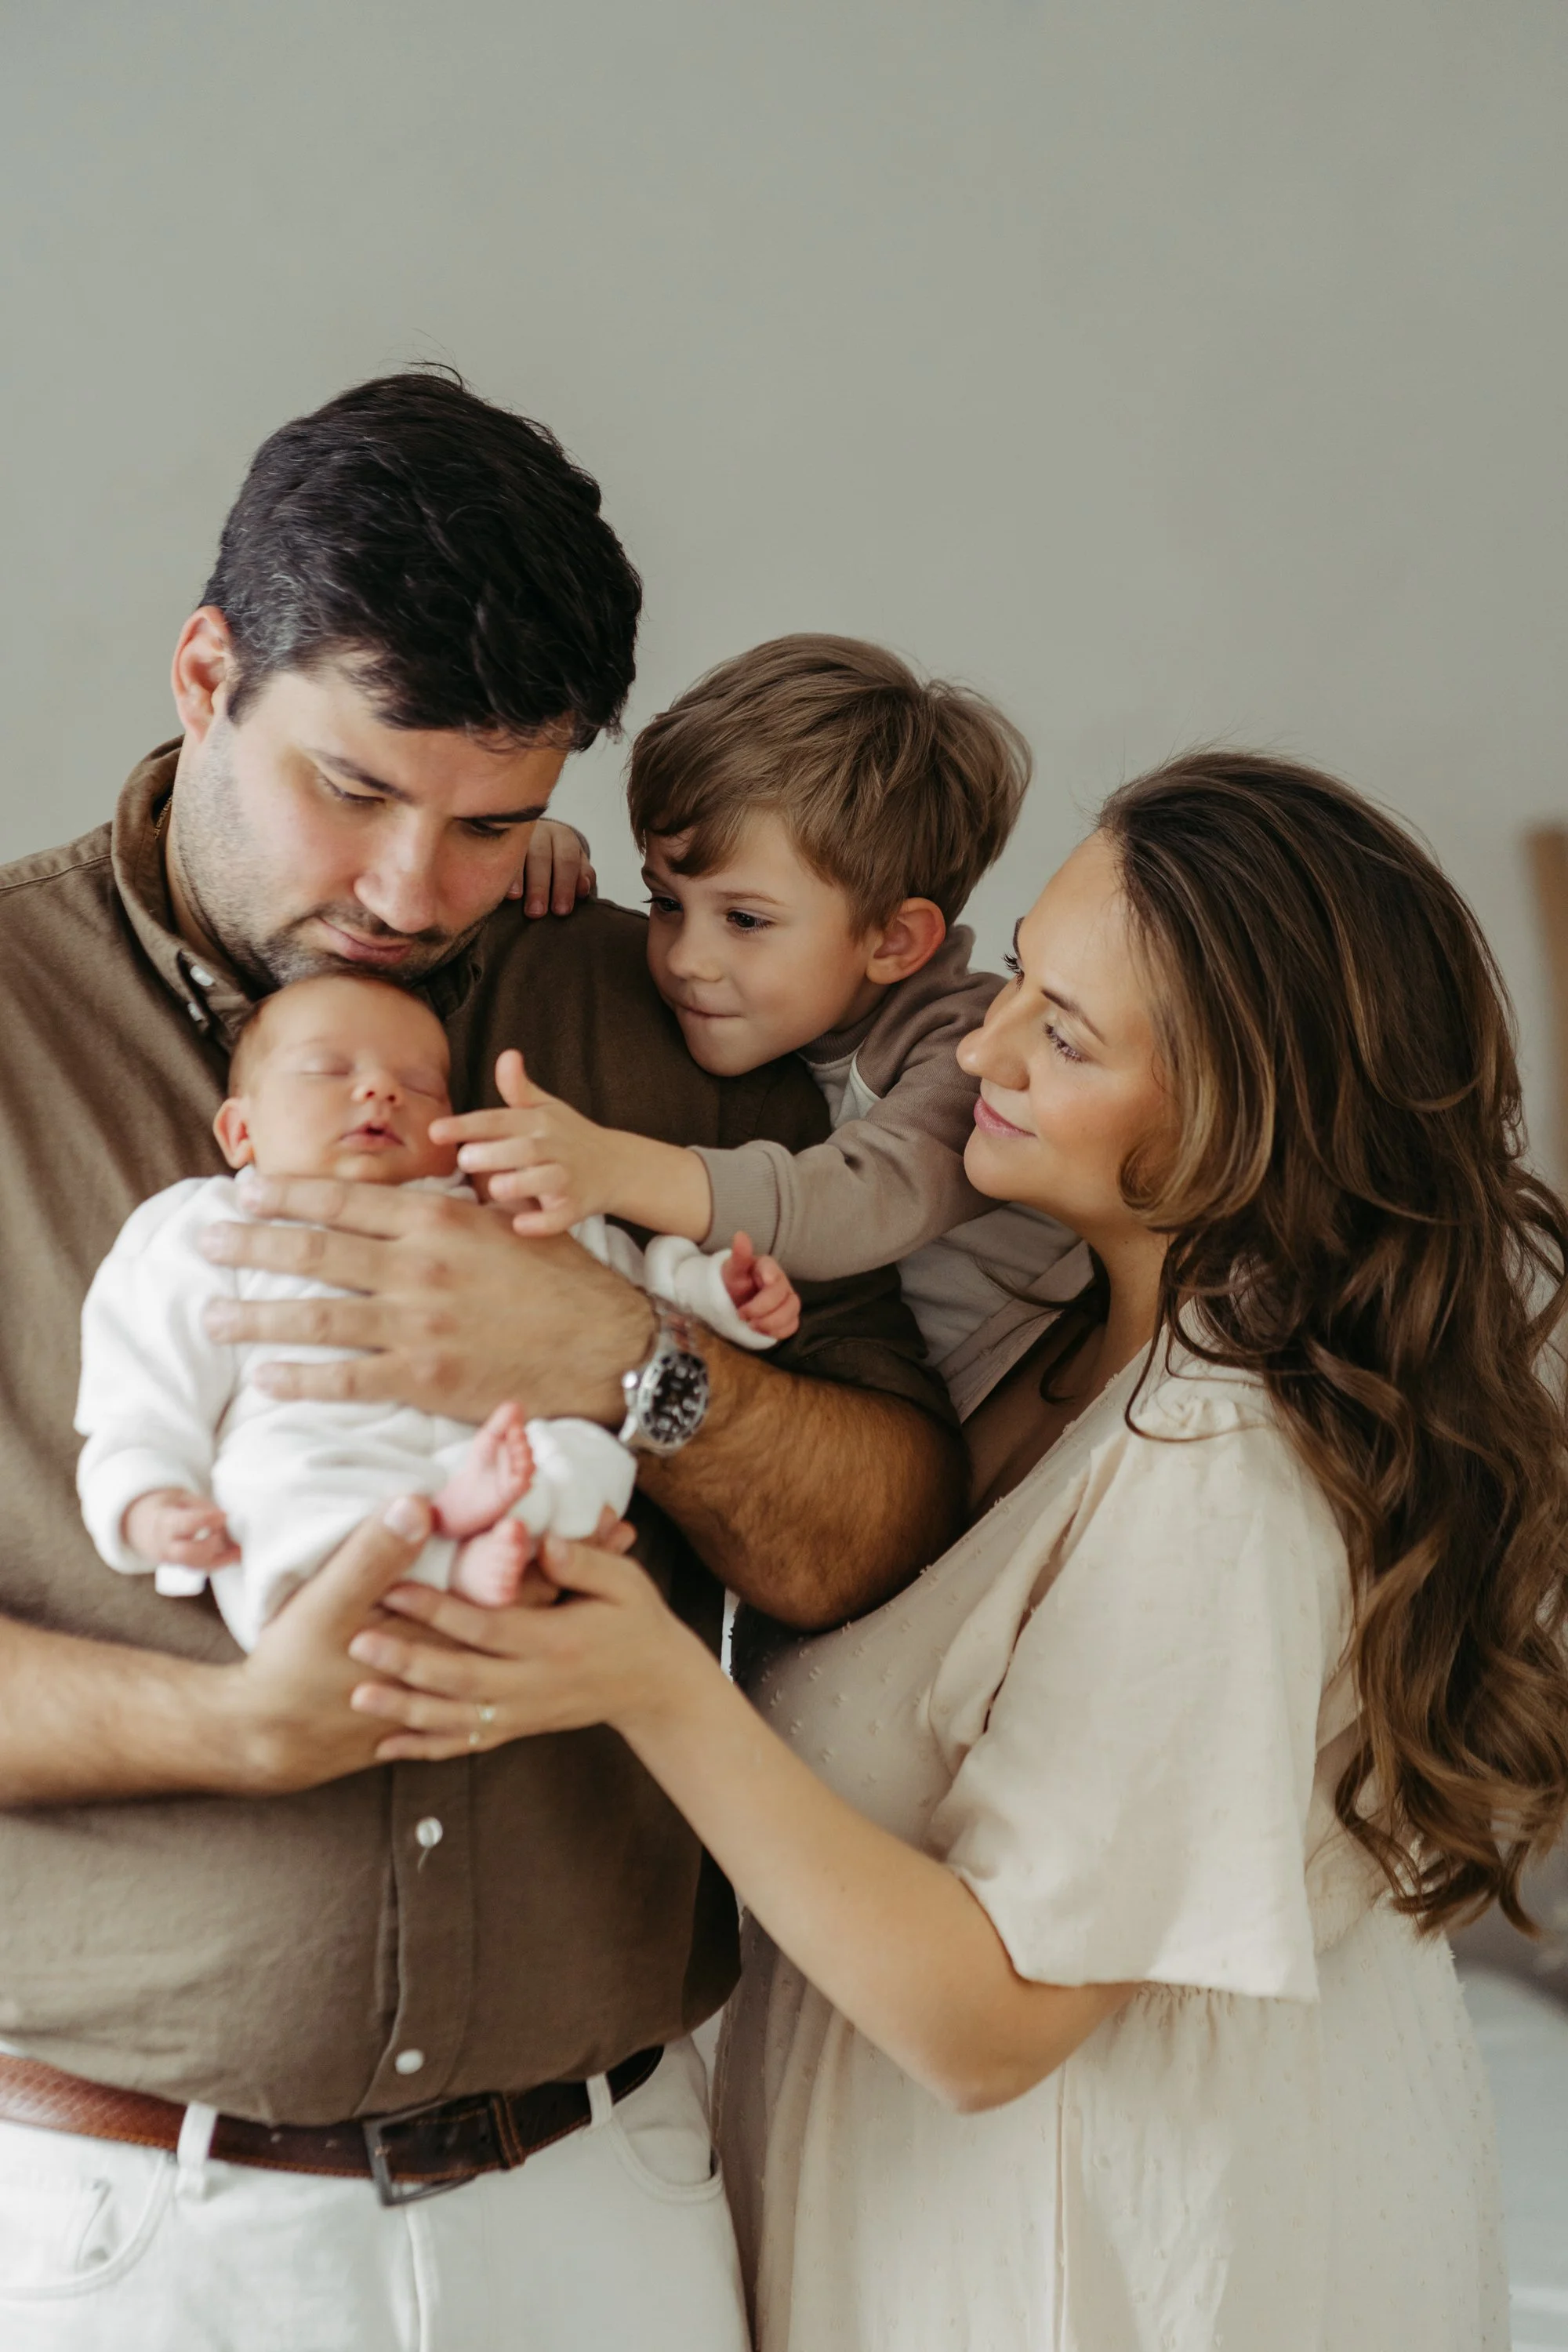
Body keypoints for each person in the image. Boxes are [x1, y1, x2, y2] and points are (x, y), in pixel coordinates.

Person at [358, 752, 1568, 2350]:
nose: (973, 1044)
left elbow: (988, 2020)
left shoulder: (1222, 1467)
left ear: (1241, 1115)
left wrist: (651, 1683)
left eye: (1061, 1036)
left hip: (1110, 2276)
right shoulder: (1044, 1338)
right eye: (1018, 981)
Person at [0, 371, 963, 2352]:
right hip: (106, 2231)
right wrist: (232, 1729)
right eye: (350, 789)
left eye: (494, 821)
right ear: (205, 673)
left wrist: (626, 1357)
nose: (409, 893)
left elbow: (879, 1542)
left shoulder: (652, 1027)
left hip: (600, 2203)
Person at [445, 634, 1081, 1419]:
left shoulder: (967, 1048)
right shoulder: (785, 1017)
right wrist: (525, 847)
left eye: (743, 919)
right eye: (665, 902)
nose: (688, 960)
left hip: (1045, 1396)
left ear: (892, 941)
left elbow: (854, 1200)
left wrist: (606, 1167)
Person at [76, 971, 800, 1645]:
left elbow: (622, 1292)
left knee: (585, 1450)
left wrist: (716, 1295)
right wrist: (146, 1500)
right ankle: (448, 1557)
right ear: (240, 1132)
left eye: (421, 1086)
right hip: (322, 1449)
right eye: (331, 1071)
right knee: (270, 1485)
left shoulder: (493, 1208)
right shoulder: (207, 1226)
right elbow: (141, 1378)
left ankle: (486, 1539)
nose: (381, 1093)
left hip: (494, 1455)